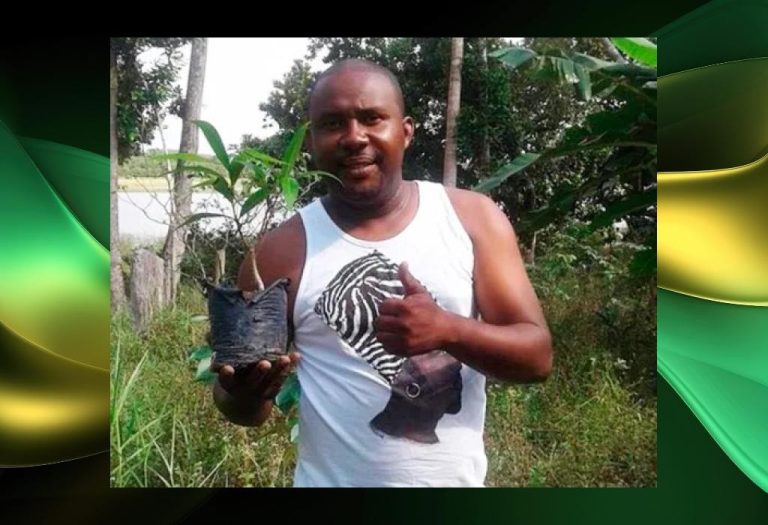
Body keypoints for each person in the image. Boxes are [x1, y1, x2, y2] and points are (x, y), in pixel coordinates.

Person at [211, 58, 553, 487]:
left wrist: (448, 329)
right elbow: (244, 409)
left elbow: (537, 358)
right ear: (312, 140)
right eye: (333, 123)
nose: (354, 137)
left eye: (372, 118)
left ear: (406, 131)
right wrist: (244, 393)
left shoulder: (472, 219)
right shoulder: (279, 252)